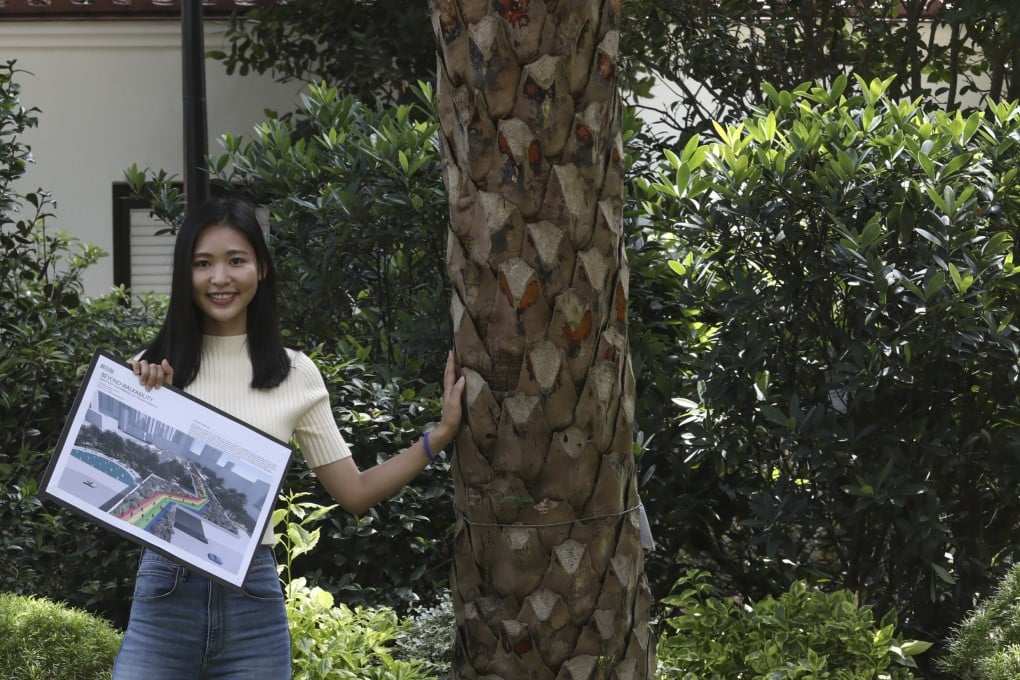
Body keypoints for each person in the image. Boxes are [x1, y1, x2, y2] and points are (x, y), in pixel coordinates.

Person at [112, 196, 464, 679]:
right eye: (202, 263)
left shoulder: (293, 373)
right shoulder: (150, 373)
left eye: (236, 261)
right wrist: (141, 402)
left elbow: (354, 493)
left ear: (261, 268)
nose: (220, 278)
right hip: (165, 589)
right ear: (184, 274)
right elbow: (117, 482)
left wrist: (439, 436)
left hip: (252, 597)